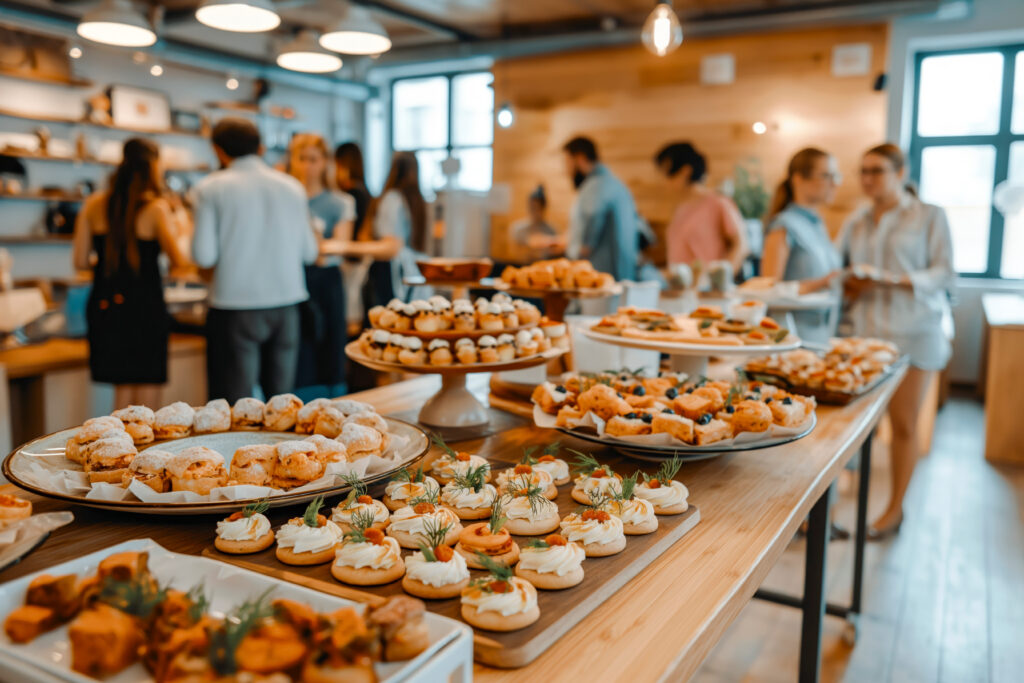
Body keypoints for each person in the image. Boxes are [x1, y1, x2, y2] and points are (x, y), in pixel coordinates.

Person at [838, 143, 954, 539]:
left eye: (877, 170)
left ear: (901, 173)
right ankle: (836, 508)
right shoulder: (856, 220)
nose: (868, 178)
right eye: (863, 171)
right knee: (855, 428)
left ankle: (894, 511)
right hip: (865, 338)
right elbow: (840, 271)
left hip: (913, 333)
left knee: (903, 426)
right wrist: (852, 284)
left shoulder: (929, 215)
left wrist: (892, 280)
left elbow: (943, 273)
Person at [191, 117, 317, 403]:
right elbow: (309, 253)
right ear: (260, 147)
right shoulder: (292, 187)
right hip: (287, 303)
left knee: (236, 405)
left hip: (235, 304)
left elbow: (203, 255)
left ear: (218, 150)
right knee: (282, 405)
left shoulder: (210, 188)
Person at [72, 138, 191, 409]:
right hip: (145, 308)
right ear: (153, 166)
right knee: (148, 399)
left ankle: (118, 438)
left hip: (106, 306)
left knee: (122, 389)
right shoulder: (156, 208)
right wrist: (182, 222)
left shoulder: (93, 204)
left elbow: (80, 261)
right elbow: (180, 261)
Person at [287, 133, 355, 401]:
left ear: (325, 162)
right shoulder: (285, 197)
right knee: (296, 352)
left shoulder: (340, 201)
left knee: (329, 347)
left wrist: (313, 240)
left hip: (325, 283)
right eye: (301, 159)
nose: (307, 166)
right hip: (292, 280)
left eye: (313, 159)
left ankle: (333, 405)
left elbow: (337, 248)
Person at [761, 147, 843, 343]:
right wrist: (822, 283)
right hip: (792, 337)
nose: (834, 184)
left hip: (822, 335)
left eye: (836, 176)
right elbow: (768, 289)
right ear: (798, 179)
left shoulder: (818, 224)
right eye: (826, 176)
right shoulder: (783, 225)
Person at [655, 142, 748, 273]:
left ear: (685, 171)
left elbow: (741, 245)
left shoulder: (718, 203)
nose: (664, 180)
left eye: (667, 172)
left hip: (707, 284)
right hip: (679, 284)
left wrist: (720, 278)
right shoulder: (680, 209)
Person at [563, 136, 638, 281]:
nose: (566, 170)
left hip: (602, 274)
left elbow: (593, 214)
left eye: (567, 162)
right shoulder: (614, 183)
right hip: (619, 273)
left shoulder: (596, 185)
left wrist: (583, 249)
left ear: (580, 158)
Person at [361, 151, 428, 301]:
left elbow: (391, 247)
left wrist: (344, 247)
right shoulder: (417, 201)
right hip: (412, 273)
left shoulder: (392, 199)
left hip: (390, 273)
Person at [510, 184, 563, 262]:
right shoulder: (518, 229)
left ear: (543, 208)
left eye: (537, 208)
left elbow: (556, 251)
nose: (534, 211)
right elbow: (515, 254)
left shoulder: (551, 229)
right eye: (532, 207)